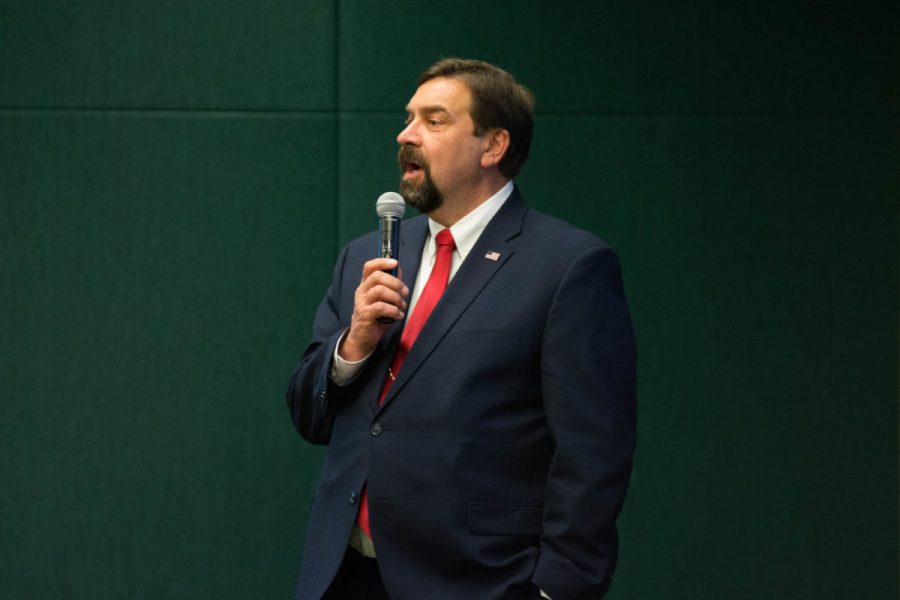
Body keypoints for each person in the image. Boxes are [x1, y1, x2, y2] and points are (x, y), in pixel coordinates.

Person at [286, 58, 636, 600]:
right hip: (345, 574)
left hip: (479, 581)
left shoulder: (567, 266)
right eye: (408, 119)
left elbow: (593, 454)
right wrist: (351, 346)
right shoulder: (367, 254)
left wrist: (556, 589)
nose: (406, 135)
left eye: (434, 120)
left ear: (493, 146)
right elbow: (309, 416)